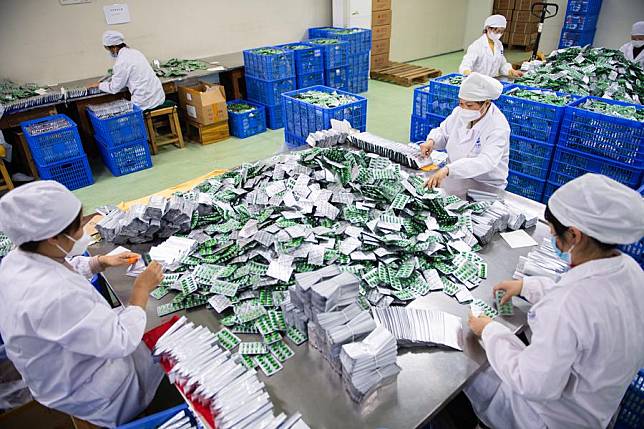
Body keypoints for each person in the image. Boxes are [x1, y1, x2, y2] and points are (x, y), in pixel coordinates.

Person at [466, 173, 644, 429]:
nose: (550, 234)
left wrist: (489, 330)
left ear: (574, 235)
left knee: (468, 371)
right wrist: (526, 286)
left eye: (552, 229)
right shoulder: (631, 271)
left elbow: (532, 384)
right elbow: (590, 297)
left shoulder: (567, 305)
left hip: (548, 419)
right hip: (597, 408)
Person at [0, 181, 166, 427]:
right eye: (78, 228)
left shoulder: (17, 258)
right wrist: (140, 289)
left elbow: (57, 267)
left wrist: (99, 262)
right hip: (97, 394)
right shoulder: (54, 296)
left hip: (61, 367)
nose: (82, 233)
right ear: (52, 236)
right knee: (166, 342)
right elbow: (121, 341)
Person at [420, 72, 510, 190]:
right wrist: (432, 141)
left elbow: (485, 161)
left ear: (486, 104)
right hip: (455, 177)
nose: (464, 109)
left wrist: (449, 170)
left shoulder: (498, 127)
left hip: (485, 185)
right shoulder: (459, 112)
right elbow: (444, 133)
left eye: (469, 105)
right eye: (461, 103)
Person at [92, 30, 165, 111]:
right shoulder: (136, 52)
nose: (110, 52)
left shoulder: (121, 61)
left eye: (109, 49)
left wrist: (99, 85)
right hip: (159, 96)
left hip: (144, 102)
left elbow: (114, 88)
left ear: (114, 47)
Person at [459, 15, 524, 79]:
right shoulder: (477, 46)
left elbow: (502, 64)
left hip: (492, 81)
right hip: (478, 83)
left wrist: (511, 71)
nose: (499, 34)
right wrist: (468, 73)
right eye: (497, 31)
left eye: (502, 32)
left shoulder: (499, 45)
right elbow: (465, 66)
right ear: (488, 28)